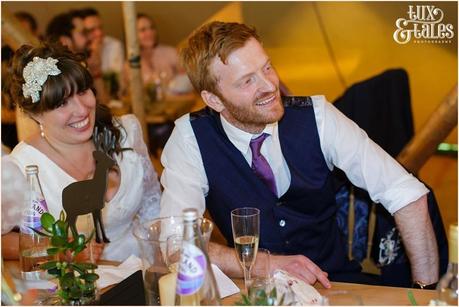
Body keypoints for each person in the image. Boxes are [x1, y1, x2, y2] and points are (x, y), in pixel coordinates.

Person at [159, 21, 439, 288]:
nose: (270, 86)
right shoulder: (190, 139)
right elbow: (175, 244)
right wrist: (265, 264)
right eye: (247, 81)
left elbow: (406, 194)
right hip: (255, 291)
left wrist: (427, 291)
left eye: (267, 67)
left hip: (335, 284)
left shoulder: (318, 116)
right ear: (214, 100)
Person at [1, 42, 161, 262]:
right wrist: (59, 249)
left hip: (145, 270)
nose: (82, 109)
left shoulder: (124, 132)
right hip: (78, 286)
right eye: (62, 103)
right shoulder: (22, 167)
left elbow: (154, 206)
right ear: (36, 115)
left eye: (83, 91)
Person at [133, 13, 192, 94]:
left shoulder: (170, 52)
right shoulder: (131, 64)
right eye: (143, 30)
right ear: (132, 35)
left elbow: (189, 80)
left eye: (152, 28)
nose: (150, 32)